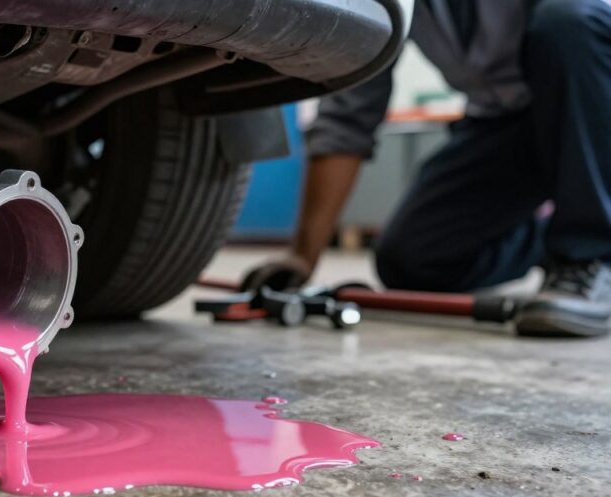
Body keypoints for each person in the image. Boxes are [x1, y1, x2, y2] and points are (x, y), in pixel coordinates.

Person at [244, 0, 611, 337]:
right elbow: (348, 116)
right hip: (506, 121)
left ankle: (590, 254)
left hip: (594, 97)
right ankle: (552, 238)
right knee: (413, 261)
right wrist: (303, 254)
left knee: (569, 20)